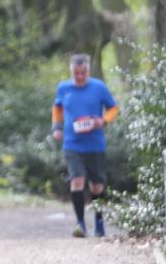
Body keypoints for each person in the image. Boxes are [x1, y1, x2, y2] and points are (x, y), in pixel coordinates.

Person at [51, 53, 119, 238]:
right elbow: (57, 108)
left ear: (88, 70)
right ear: (71, 71)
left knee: (97, 186)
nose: (80, 76)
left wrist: (103, 121)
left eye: (83, 73)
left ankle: (99, 223)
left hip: (95, 144)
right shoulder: (63, 88)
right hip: (72, 144)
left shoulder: (99, 87)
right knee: (77, 180)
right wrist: (56, 127)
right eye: (76, 73)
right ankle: (80, 224)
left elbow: (114, 108)